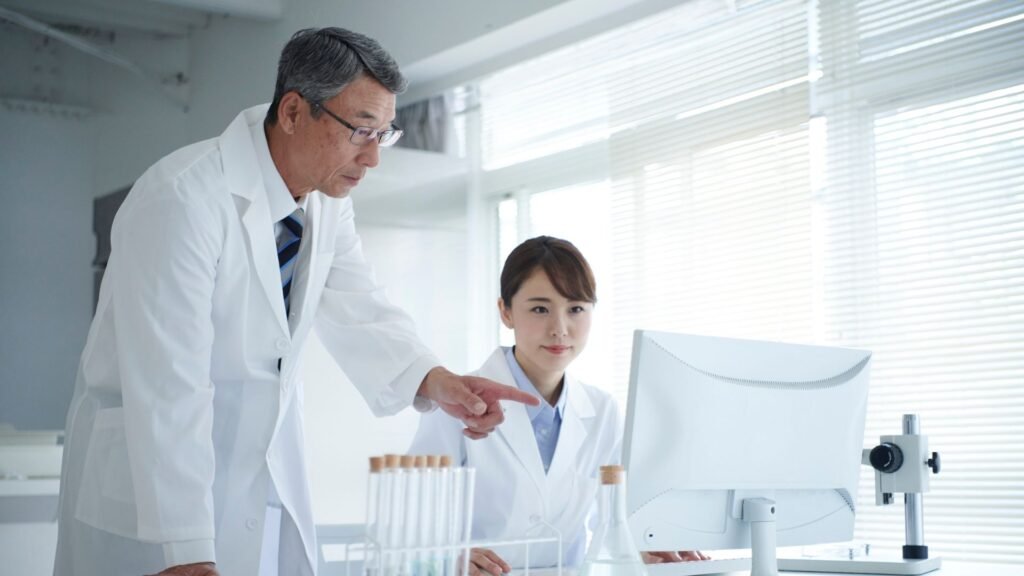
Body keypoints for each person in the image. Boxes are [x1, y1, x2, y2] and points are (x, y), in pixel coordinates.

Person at [53, 28, 537, 576]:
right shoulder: (183, 198)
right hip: (151, 510)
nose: (374, 157)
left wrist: (437, 381)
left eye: (385, 134)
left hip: (252, 490)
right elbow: (169, 387)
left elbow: (360, 305)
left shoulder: (325, 200)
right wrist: (184, 551)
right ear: (292, 111)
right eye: (360, 131)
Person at [409, 236, 708, 575]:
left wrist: (646, 545)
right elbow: (409, 524)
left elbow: (612, 520)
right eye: (540, 309)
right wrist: (446, 557)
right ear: (505, 312)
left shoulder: (603, 410)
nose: (560, 329)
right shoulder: (457, 402)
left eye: (576, 309)